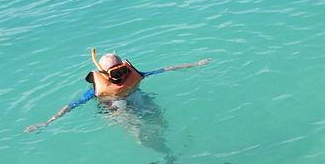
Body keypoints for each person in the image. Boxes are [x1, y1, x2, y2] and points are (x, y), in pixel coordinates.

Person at [24, 48, 210, 135]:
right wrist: (47, 122)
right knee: (138, 128)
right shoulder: (97, 90)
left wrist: (194, 64)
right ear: (105, 74)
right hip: (114, 107)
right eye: (115, 74)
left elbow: (166, 68)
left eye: (122, 71)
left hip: (137, 97)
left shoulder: (135, 76)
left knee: (160, 120)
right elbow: (71, 105)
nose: (121, 77)